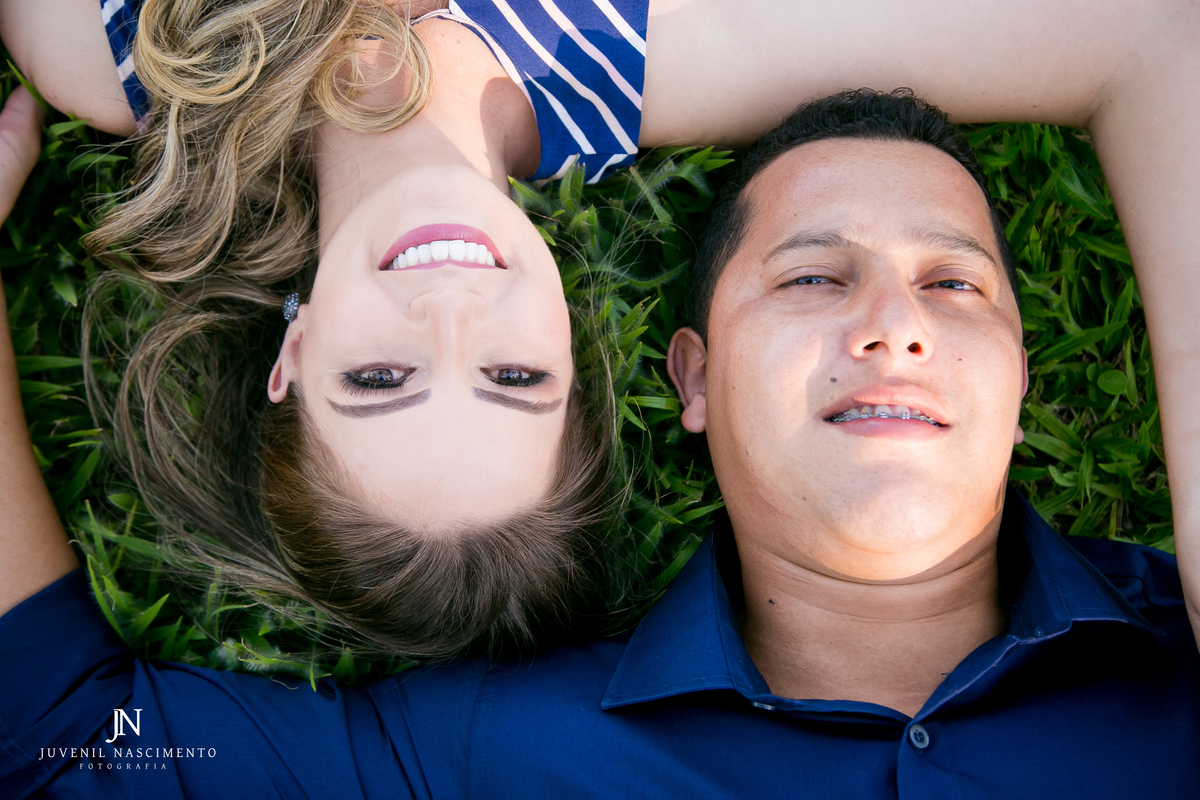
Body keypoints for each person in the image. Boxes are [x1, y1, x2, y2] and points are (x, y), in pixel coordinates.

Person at [3, 89, 1196, 799]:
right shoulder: (499, 749)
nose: (895, 325)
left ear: (1024, 372)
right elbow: (78, 750)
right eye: (812, 277)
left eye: (956, 285)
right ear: (693, 375)